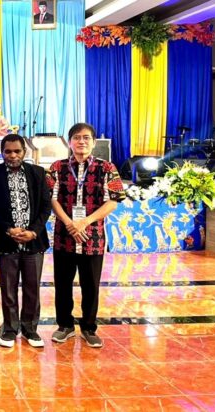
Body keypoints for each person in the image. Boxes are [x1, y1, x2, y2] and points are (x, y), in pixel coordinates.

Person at [47, 123, 125, 348]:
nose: (81, 141)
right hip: (64, 236)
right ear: (69, 142)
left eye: (86, 138)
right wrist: (70, 223)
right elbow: (51, 198)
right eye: (76, 137)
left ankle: (89, 328)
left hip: (93, 237)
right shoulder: (57, 167)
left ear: (93, 142)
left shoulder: (107, 168)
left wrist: (85, 222)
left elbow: (114, 200)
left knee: (91, 285)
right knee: (62, 284)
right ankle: (65, 325)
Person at [0, 134, 52, 348]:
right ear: (2, 152)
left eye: (17, 151)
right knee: (8, 289)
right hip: (7, 241)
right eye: (8, 151)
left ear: (25, 152)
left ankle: (30, 330)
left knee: (32, 288)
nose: (12, 155)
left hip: (33, 242)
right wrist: (8, 229)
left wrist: (33, 232)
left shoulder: (38, 173)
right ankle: (10, 329)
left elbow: (46, 206)